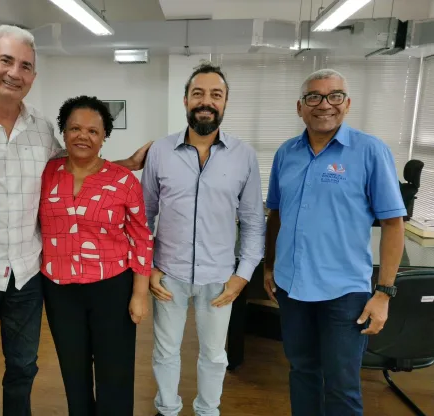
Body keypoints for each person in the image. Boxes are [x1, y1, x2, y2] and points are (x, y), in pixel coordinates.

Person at [0, 25, 150, 416]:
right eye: (6, 60)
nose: (14, 72)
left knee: (23, 369)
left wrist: (121, 169)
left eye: (25, 66)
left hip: (24, 276)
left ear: (33, 77)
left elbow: (75, 166)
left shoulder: (38, 128)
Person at [264, 69, 405, 416]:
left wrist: (384, 293)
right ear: (300, 107)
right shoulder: (286, 153)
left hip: (345, 294)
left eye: (334, 96)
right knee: (302, 373)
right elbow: (276, 214)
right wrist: (269, 266)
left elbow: (392, 222)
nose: (324, 104)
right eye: (314, 97)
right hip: (292, 287)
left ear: (347, 103)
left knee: (342, 385)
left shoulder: (370, 151)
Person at [141, 63, 266, 416]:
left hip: (219, 278)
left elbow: (254, 222)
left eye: (216, 94)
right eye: (198, 93)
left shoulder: (245, 156)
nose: (206, 101)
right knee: (165, 351)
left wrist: (243, 275)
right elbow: (143, 216)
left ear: (225, 103)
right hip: (169, 275)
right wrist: (148, 266)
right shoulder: (160, 152)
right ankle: (167, 409)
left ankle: (207, 410)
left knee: (214, 353)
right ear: (185, 101)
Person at [39, 95, 153, 416]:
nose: (83, 136)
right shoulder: (46, 174)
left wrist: (140, 294)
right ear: (63, 132)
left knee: (113, 373)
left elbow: (142, 238)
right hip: (59, 290)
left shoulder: (123, 181)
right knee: (73, 372)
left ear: (104, 137)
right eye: (75, 128)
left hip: (111, 288)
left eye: (92, 131)